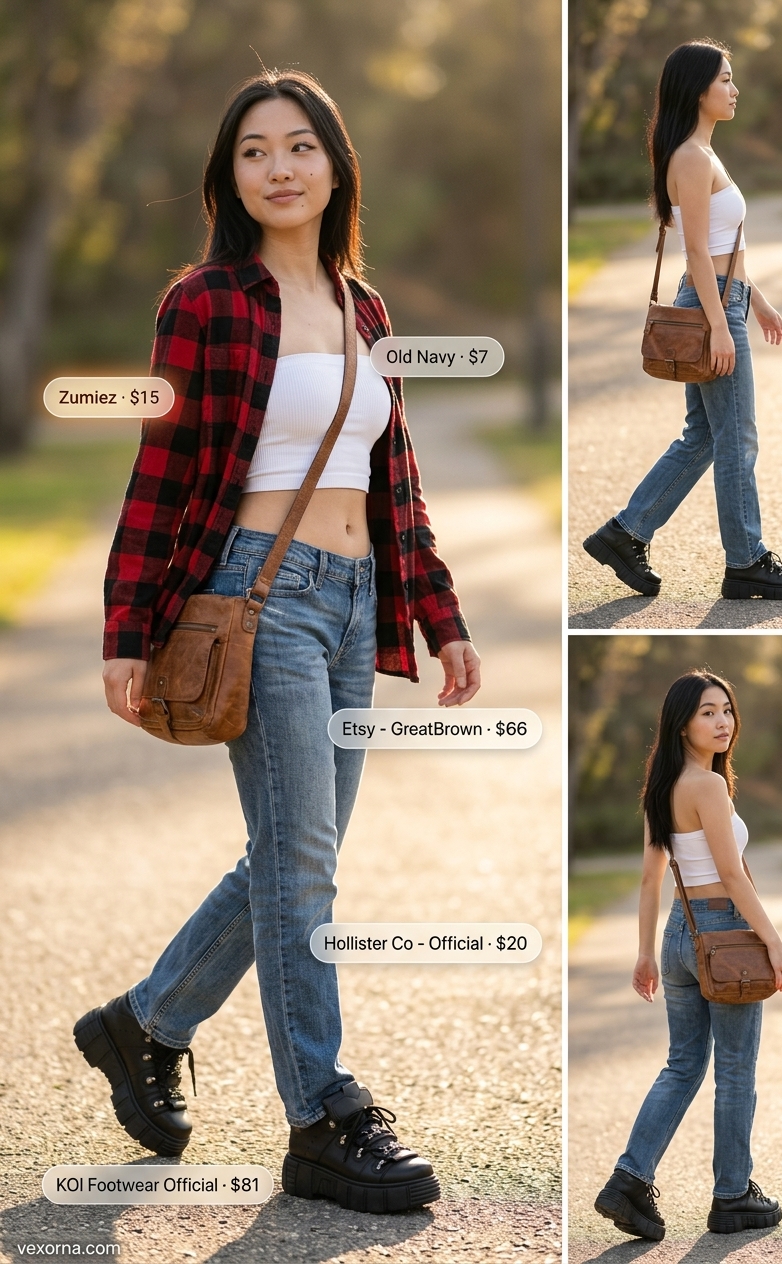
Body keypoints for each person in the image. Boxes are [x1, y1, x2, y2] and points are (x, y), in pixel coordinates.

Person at [72, 69, 481, 1216]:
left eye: (299, 146)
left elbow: (396, 480)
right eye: (254, 151)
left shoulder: (366, 310)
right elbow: (158, 470)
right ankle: (323, 1113)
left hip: (353, 601)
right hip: (261, 596)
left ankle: (143, 1022)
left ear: (336, 166)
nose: (279, 168)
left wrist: (439, 615)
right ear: (230, 176)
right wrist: (125, 630)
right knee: (302, 862)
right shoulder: (205, 303)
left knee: (292, 858)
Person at [583, 40, 782, 601]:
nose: (735, 90)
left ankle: (626, 533)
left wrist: (756, 301)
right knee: (737, 438)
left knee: (706, 434)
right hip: (710, 309)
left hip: (724, 302)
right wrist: (720, 325)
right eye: (725, 79)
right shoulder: (690, 157)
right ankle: (747, 561)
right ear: (697, 88)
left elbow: (723, 249)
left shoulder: (703, 153)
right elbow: (696, 253)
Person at [593, 670, 782, 1239]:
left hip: (680, 934)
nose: (722, 721)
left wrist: (646, 953)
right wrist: (774, 942)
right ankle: (732, 1195)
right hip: (725, 935)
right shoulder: (707, 786)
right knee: (734, 1070)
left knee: (683, 1064)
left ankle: (628, 1180)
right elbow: (731, 875)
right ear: (682, 723)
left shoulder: (663, 787)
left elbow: (650, 878)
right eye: (708, 712)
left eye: (726, 710)